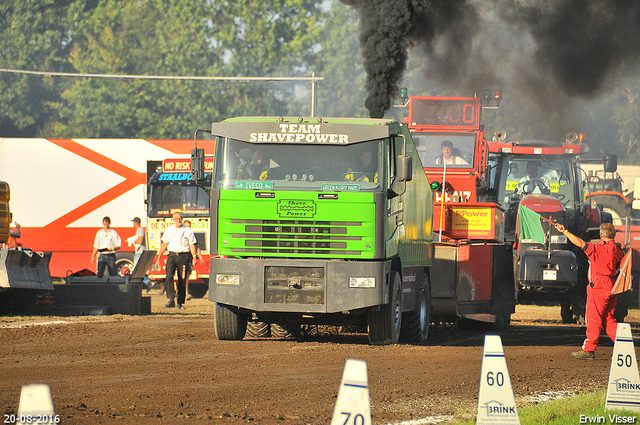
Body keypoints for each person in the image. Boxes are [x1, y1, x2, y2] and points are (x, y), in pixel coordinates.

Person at [553, 222, 624, 360]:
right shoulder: (617, 250)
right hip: (612, 285)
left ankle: (589, 349)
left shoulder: (598, 249)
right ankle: (624, 344)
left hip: (598, 286)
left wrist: (565, 231)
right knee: (608, 319)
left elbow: (580, 243)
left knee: (593, 318)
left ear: (601, 235)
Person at [154, 211, 197, 309]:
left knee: (182, 279)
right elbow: (164, 244)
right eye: (177, 219)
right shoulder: (169, 230)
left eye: (180, 218)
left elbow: (192, 245)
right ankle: (170, 299)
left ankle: (180, 302)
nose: (179, 220)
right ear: (173, 220)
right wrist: (158, 258)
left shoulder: (188, 231)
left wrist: (194, 257)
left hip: (184, 257)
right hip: (172, 256)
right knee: (169, 276)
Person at [183, 219, 204, 301]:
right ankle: (182, 292)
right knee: (180, 275)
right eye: (186, 227)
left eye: (189, 227)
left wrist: (199, 257)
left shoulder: (192, 235)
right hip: (181, 257)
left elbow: (196, 246)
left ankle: (185, 293)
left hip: (189, 258)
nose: (188, 229)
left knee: (186, 276)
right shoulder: (180, 235)